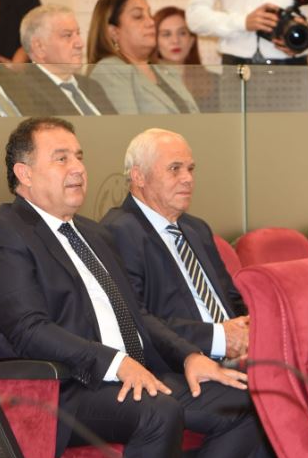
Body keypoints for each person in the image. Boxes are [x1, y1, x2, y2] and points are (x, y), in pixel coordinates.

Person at [0, 117, 272, 458]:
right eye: (61, 158)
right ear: (24, 173)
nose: (78, 168)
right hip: (65, 388)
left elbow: (137, 316)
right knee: (158, 412)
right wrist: (116, 363)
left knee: (250, 402)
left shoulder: (92, 233)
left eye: (79, 157)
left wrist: (190, 356)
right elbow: (29, 330)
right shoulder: (3, 232)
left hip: (132, 373)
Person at [102, 129, 249, 361]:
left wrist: (252, 325)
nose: (187, 178)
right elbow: (136, 319)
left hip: (241, 354)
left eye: (190, 169)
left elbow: (230, 298)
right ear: (139, 176)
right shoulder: (118, 232)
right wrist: (220, 338)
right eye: (175, 169)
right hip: (185, 361)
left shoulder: (196, 228)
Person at [88, 0, 199, 115]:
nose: (151, 22)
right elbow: (127, 125)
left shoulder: (166, 70)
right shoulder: (110, 70)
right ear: (114, 32)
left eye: (149, 14)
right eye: (138, 16)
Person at [0, 4, 115, 115]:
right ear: (39, 47)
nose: (80, 43)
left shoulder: (91, 86)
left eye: (78, 33)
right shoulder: (23, 91)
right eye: (67, 35)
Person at [153, 6, 225, 112]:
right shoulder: (146, 83)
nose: (175, 40)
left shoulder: (217, 83)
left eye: (182, 33)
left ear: (191, 40)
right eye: (166, 34)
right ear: (154, 41)